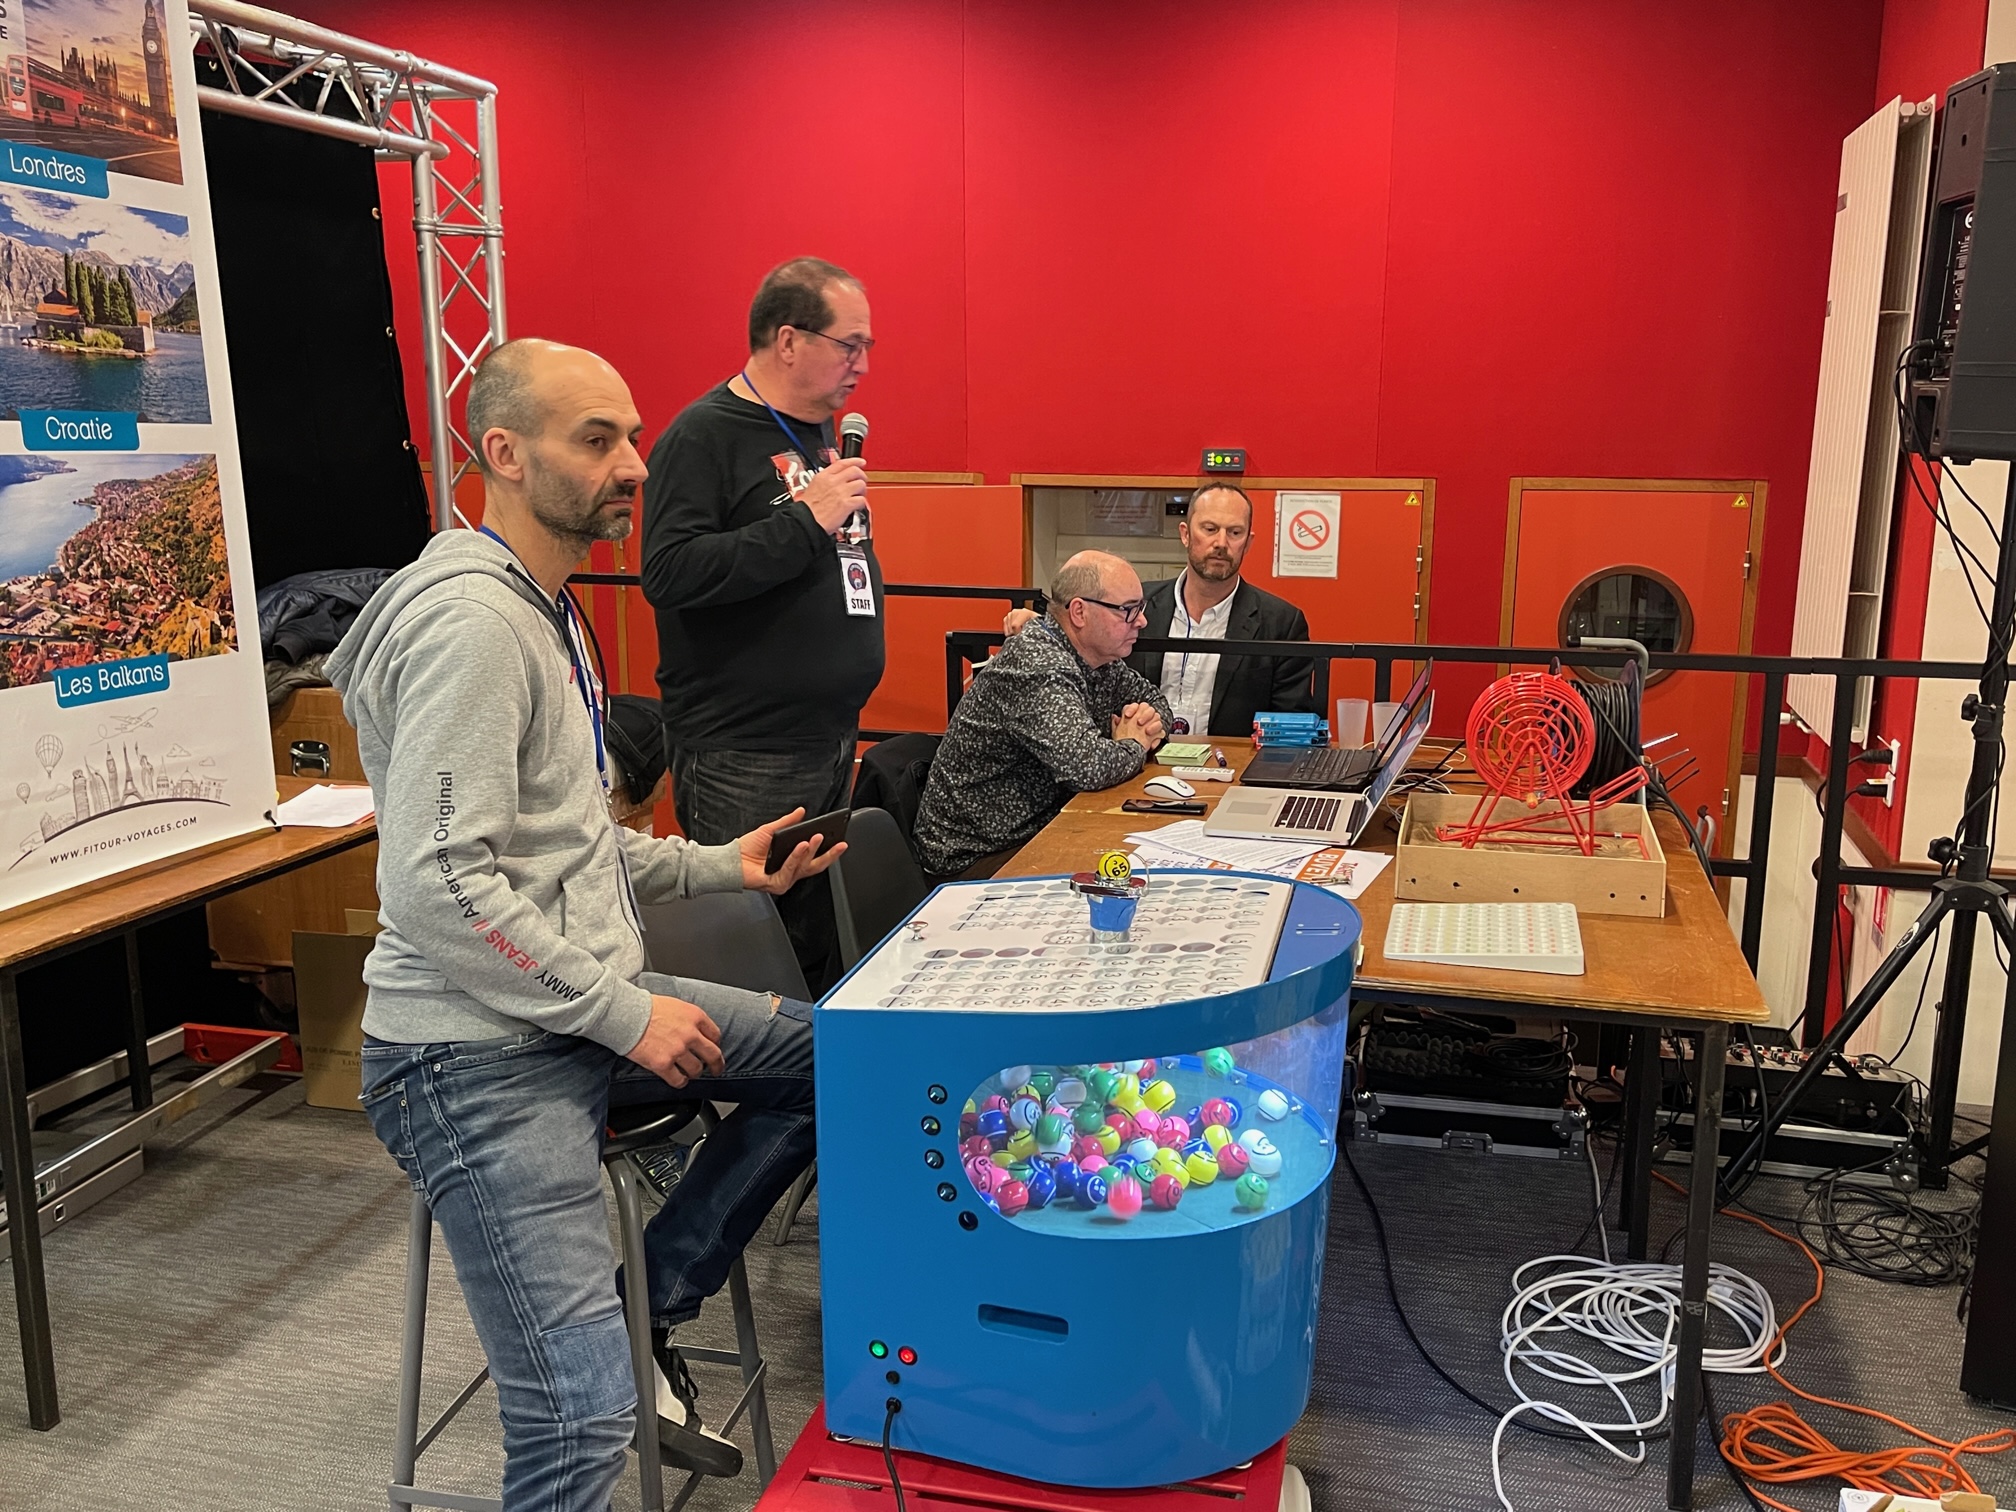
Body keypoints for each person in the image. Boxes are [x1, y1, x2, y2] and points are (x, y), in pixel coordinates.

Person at [328, 339, 836, 1509]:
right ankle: (614, 1362)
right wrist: (622, 1014)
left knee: (846, 1061)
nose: (635, 465)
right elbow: (441, 885)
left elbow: (562, 845)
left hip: (569, 1019)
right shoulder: (475, 626)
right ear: (505, 455)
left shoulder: (544, 610)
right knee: (582, 1420)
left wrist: (718, 867)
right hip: (469, 1057)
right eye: (597, 440)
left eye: (633, 436)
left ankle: (641, 1306)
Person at [642, 256, 879, 993]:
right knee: (757, 963)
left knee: (812, 946)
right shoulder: (704, 436)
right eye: (849, 345)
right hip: (745, 750)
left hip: (826, 737)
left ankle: (807, 1067)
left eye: (867, 347)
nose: (862, 366)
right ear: (788, 340)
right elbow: (670, 572)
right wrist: (807, 520)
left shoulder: (817, 435)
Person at [915, 551, 1172, 880]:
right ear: (1079, 612)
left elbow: (1156, 701)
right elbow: (1087, 768)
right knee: (1122, 874)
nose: (1141, 621)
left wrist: (1145, 721)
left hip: (1034, 831)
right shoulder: (1039, 663)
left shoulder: (1097, 658)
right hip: (976, 856)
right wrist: (1134, 743)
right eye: (1128, 610)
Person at [1004, 483, 1315, 738]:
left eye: (1234, 533)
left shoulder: (1282, 623)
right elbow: (1081, 642)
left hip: (1228, 773)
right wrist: (1042, 627)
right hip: (1134, 766)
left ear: (1248, 543)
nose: (1221, 543)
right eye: (1209, 528)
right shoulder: (1131, 608)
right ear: (1185, 534)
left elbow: (1291, 732)